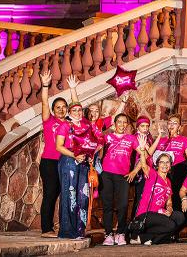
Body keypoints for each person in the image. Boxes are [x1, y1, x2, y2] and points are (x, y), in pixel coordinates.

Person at [54, 79, 96, 240]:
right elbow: (59, 146)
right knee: (70, 195)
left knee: (82, 196)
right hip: (69, 161)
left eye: (80, 110)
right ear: (69, 112)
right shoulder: (65, 125)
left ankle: (79, 230)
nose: (78, 112)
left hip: (83, 163)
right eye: (74, 110)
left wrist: (89, 157)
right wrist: (74, 155)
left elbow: (90, 144)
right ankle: (67, 231)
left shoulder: (85, 126)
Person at [99, 113, 145, 246]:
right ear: (115, 124)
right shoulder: (107, 137)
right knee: (107, 205)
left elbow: (143, 155)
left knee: (123, 205)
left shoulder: (131, 138)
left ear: (127, 125)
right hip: (106, 175)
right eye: (119, 122)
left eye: (125, 122)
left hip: (123, 176)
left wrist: (134, 172)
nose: (122, 125)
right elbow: (97, 152)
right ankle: (108, 234)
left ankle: (120, 233)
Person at [37, 70, 70, 237]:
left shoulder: (70, 124)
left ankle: (64, 226)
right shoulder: (49, 121)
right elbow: (44, 103)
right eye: (58, 107)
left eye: (64, 107)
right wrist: (45, 85)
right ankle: (46, 229)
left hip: (65, 162)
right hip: (49, 162)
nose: (61, 110)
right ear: (53, 110)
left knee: (62, 194)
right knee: (50, 193)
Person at [131, 153, 186, 245]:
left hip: (160, 214)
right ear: (157, 165)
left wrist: (169, 208)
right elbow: (144, 165)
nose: (165, 165)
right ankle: (144, 236)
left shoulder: (168, 182)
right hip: (146, 214)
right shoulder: (153, 174)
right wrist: (142, 150)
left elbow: (169, 201)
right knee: (170, 225)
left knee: (179, 217)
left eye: (167, 162)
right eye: (162, 162)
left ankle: (146, 238)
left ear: (170, 165)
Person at [150, 115, 187, 197]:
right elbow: (151, 155)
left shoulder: (184, 140)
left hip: (178, 170)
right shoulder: (161, 140)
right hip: (163, 170)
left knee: (176, 194)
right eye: (170, 123)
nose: (172, 125)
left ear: (179, 127)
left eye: (175, 123)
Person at [130, 116, 155, 220]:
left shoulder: (149, 138)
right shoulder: (135, 138)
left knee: (145, 196)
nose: (145, 128)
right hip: (138, 171)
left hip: (148, 169)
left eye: (147, 126)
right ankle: (135, 220)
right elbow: (145, 155)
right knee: (139, 196)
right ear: (137, 127)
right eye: (142, 126)